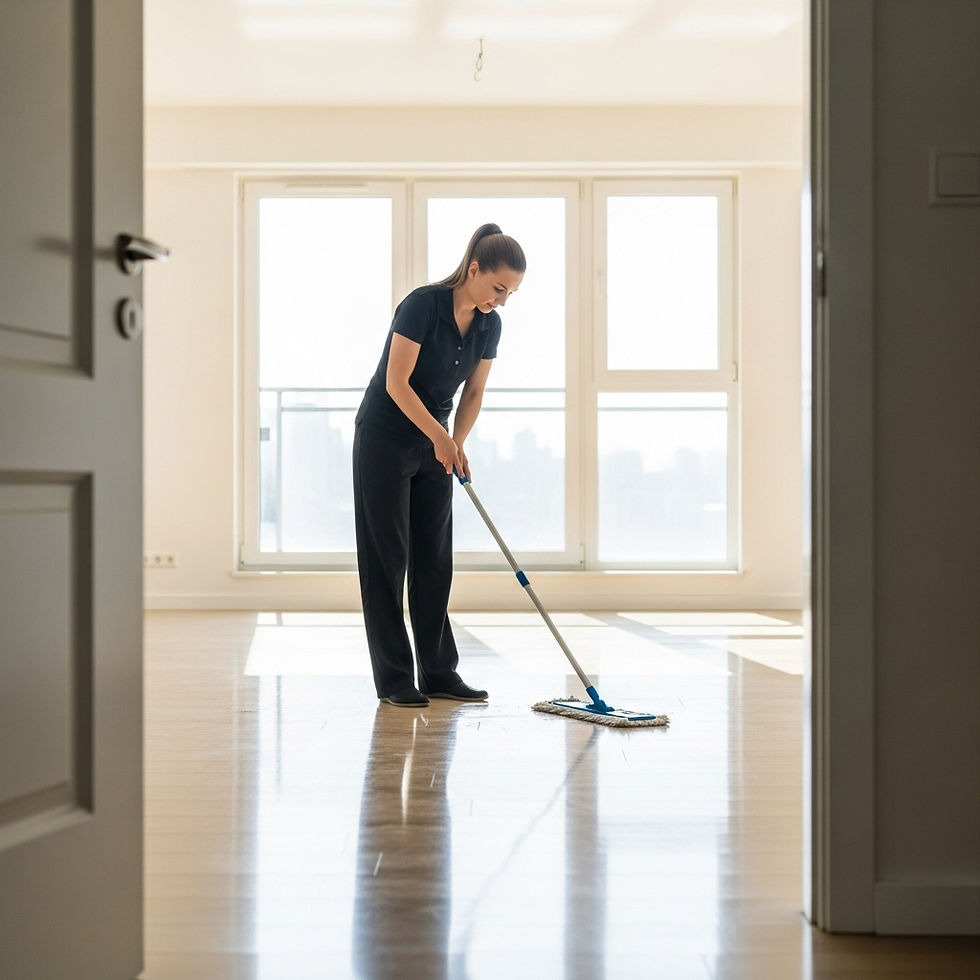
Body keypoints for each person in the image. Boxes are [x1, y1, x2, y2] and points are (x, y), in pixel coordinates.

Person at [352, 223, 525, 707]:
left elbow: (473, 391)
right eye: (497, 287)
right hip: (386, 437)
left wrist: (456, 442)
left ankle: (439, 672)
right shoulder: (422, 305)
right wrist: (440, 438)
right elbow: (397, 383)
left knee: (434, 559)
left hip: (437, 442)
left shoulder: (491, 324)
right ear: (473, 270)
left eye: (511, 293)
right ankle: (394, 681)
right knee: (387, 561)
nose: (502, 300)